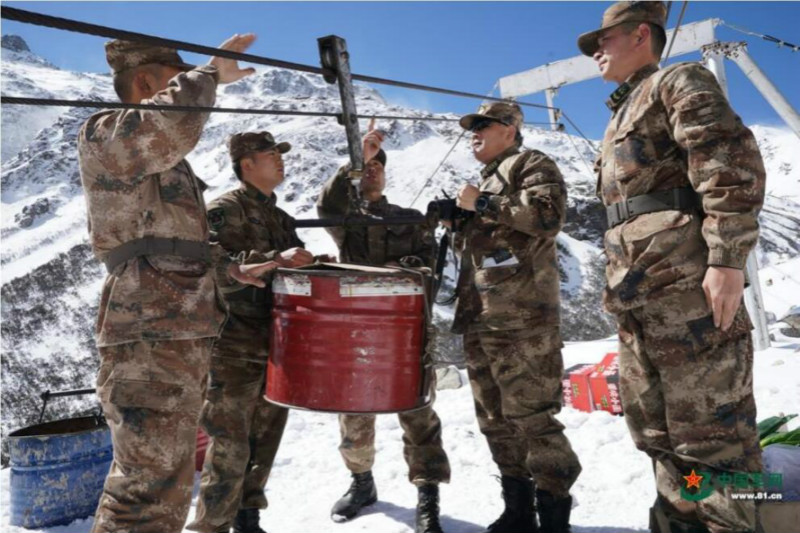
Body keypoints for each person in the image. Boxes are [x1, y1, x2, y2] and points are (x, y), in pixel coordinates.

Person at [577, 2, 766, 532]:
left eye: (604, 39)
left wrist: (727, 259)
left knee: (716, 440)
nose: (596, 51)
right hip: (639, 299)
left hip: (688, 296)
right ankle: (681, 518)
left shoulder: (678, 81)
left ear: (641, 34)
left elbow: (728, 162)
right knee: (657, 434)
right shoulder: (621, 113)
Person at [78, 36, 277, 533]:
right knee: (147, 491)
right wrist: (208, 75)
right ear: (145, 81)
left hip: (176, 335)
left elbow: (175, 241)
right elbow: (169, 126)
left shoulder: (157, 155)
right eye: (175, 77)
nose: (183, 84)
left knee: (165, 485)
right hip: (149, 336)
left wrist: (230, 270)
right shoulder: (107, 133)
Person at [450, 101, 581, 533]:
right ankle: (519, 511)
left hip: (523, 319)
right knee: (494, 421)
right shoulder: (489, 179)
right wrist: (457, 221)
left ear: (509, 129)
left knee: (533, 418)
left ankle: (554, 513)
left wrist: (483, 203)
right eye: (473, 127)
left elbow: (547, 216)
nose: (474, 133)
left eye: (483, 125)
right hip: (481, 317)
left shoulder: (530, 164)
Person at [316, 124, 451, 533]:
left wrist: (403, 269)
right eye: (366, 167)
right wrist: (357, 158)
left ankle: (427, 496)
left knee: (419, 415)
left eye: (378, 165)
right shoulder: (346, 220)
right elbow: (326, 205)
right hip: (356, 334)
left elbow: (430, 268)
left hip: (405, 335)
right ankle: (362, 483)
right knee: (354, 416)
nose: (373, 170)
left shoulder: (409, 220)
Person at [188, 131, 320, 533]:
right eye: (271, 154)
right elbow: (207, 266)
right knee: (228, 444)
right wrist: (271, 260)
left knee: (265, 438)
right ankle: (212, 526)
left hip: (276, 344)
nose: (280, 160)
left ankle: (248, 520)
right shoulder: (224, 210)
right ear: (247, 164)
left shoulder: (281, 219)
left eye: (280, 153)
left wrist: (312, 264)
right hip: (234, 346)